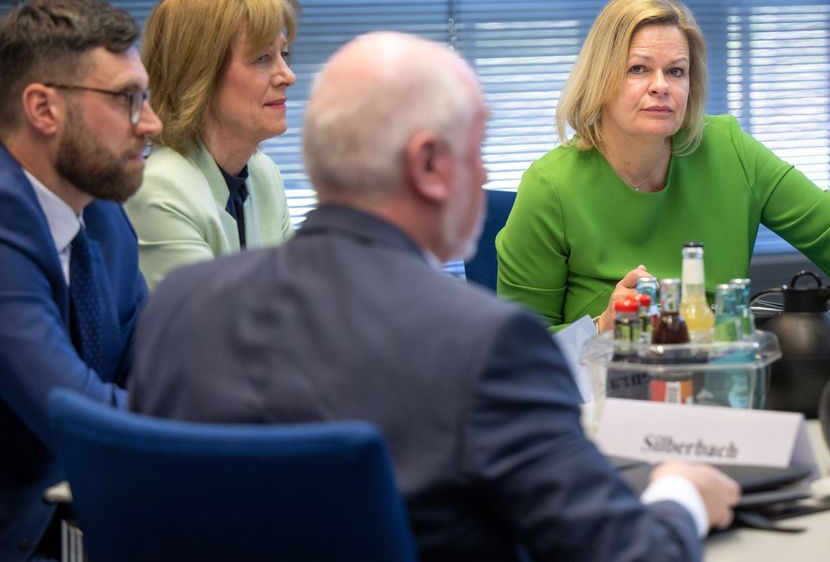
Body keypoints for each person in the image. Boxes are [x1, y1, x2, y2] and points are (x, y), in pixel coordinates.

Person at [129, 31, 740, 561]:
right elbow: (626, 554)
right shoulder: (486, 344)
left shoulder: (182, 305)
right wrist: (682, 491)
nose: (481, 175)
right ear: (428, 165)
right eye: (475, 150)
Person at [496, 0, 830, 333]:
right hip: (606, 398)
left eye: (676, 70)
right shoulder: (551, 186)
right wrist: (605, 327)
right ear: (600, 77)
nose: (661, 86)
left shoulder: (728, 149)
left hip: (723, 383)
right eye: (637, 69)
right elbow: (518, 349)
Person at [0, 0, 159, 560]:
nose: (152, 123)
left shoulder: (104, 215)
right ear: (44, 109)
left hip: (77, 523)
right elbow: (75, 412)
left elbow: (154, 366)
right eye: (127, 100)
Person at [123, 0, 297, 289]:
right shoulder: (158, 191)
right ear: (199, 73)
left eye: (284, 54)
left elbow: (299, 299)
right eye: (262, 58)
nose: (288, 76)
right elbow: (207, 334)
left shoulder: (262, 173)